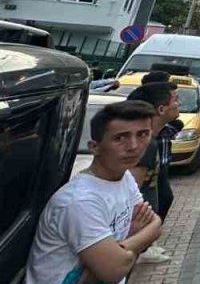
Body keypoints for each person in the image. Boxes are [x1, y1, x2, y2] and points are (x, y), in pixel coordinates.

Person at [25, 100, 164, 284]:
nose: (134, 146)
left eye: (143, 134)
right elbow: (114, 271)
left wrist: (120, 250)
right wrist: (132, 243)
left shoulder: (125, 178)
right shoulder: (79, 202)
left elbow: (155, 223)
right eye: (120, 138)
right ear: (94, 147)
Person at [124, 82, 181, 264]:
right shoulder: (144, 144)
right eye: (176, 100)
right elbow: (132, 193)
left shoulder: (151, 140)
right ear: (162, 109)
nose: (179, 104)